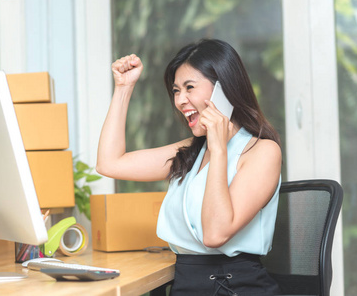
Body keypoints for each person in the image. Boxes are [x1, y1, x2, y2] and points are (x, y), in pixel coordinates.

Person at [97, 38, 282, 296]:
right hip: (187, 283)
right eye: (176, 90)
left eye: (190, 87)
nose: (180, 100)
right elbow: (109, 163)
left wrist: (219, 150)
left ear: (224, 90)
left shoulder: (262, 151)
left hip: (235, 287)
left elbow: (215, 235)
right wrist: (123, 88)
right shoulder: (193, 150)